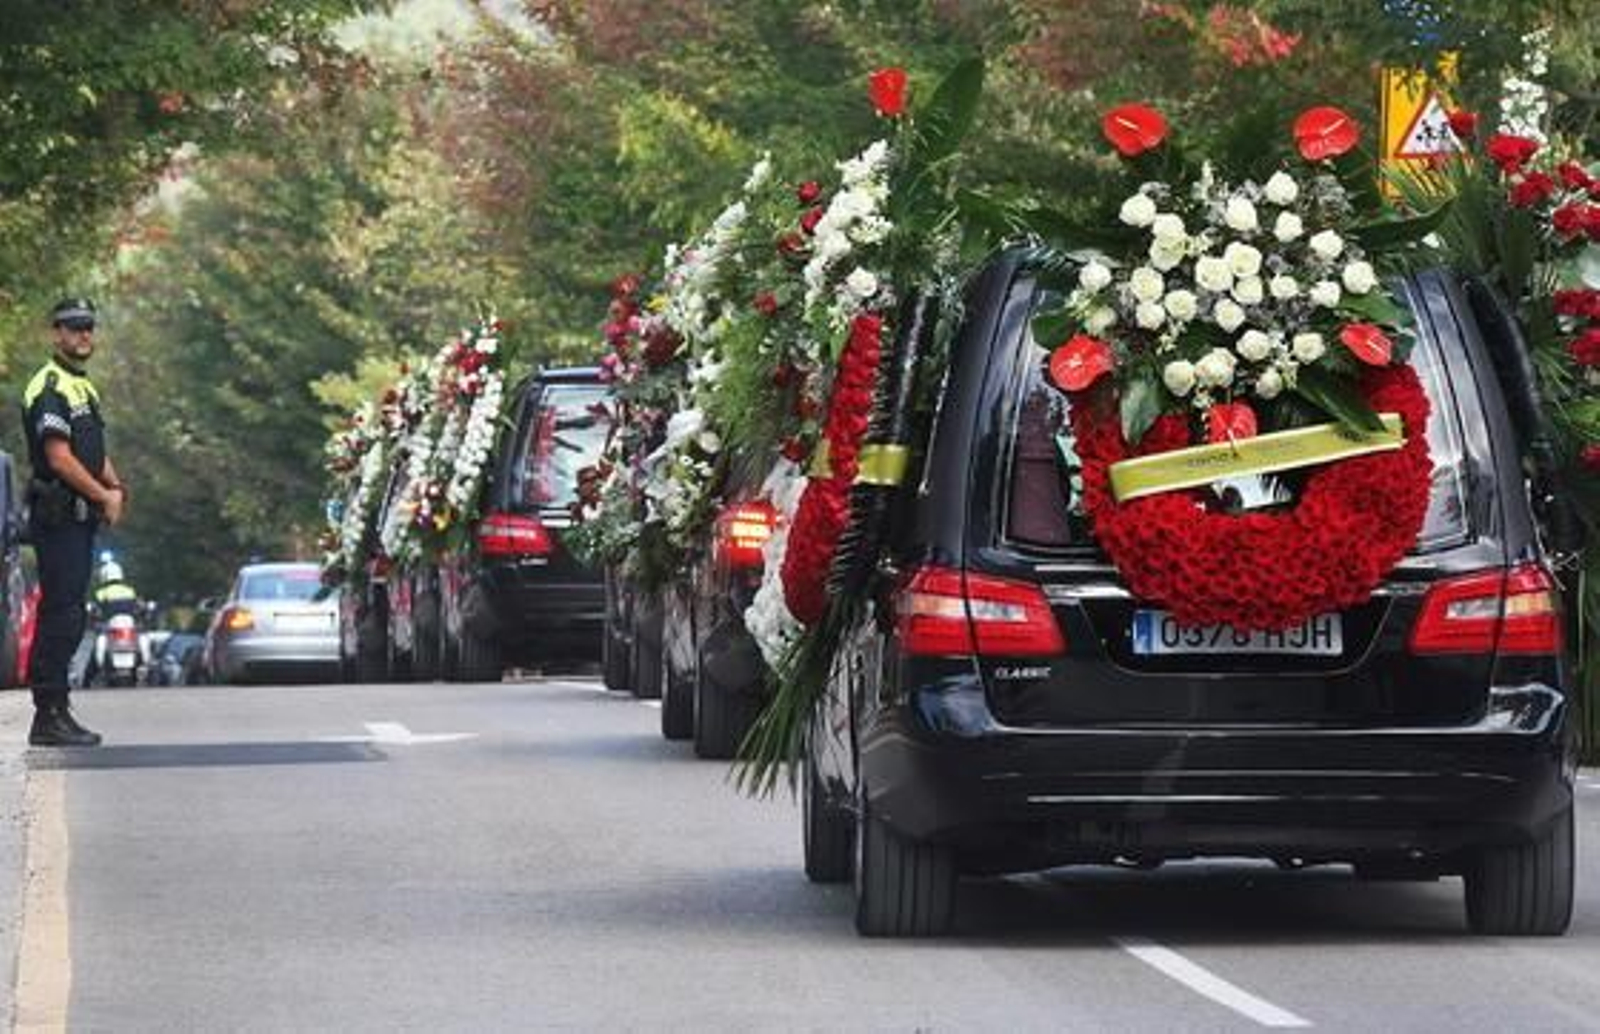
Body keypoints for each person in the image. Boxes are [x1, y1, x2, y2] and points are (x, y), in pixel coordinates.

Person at [20, 298, 127, 746]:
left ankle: (59, 708)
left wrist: (116, 487)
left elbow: (91, 450)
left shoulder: (82, 386)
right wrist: (102, 493)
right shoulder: (49, 386)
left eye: (88, 328)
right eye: (73, 328)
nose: (83, 335)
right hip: (58, 514)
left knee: (72, 612)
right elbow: (59, 458)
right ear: (56, 333)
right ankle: (48, 713)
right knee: (61, 613)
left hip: (80, 517)